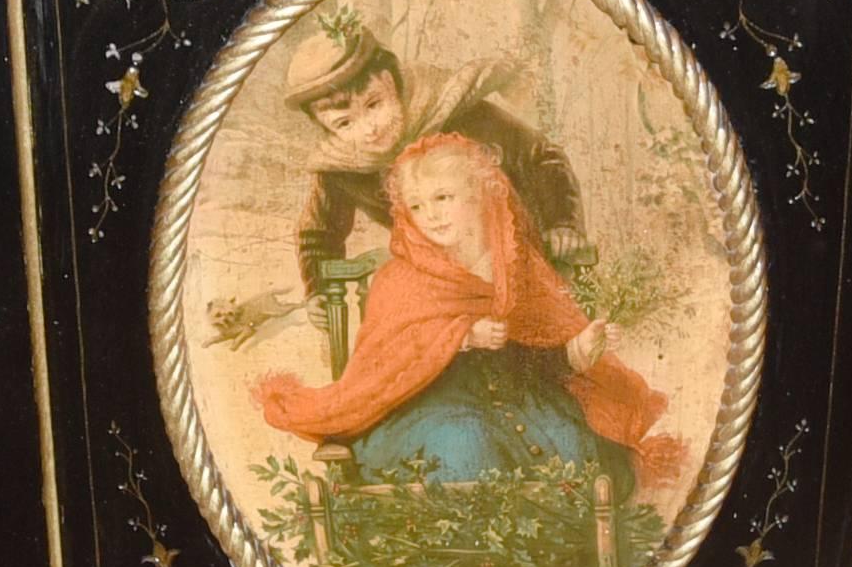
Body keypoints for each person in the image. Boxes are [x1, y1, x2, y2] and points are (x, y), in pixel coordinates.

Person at [255, 133, 684, 499]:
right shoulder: (401, 279)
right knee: (467, 446)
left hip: (519, 401)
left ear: (480, 195)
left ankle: (541, 549)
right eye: (417, 207)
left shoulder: (516, 267)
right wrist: (461, 335)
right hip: (428, 407)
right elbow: (386, 366)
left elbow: (532, 357)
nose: (431, 216)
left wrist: (574, 351)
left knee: (577, 451)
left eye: (443, 198)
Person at [283, 3, 585, 294]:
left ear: (392, 81)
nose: (369, 129)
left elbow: (542, 158)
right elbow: (319, 233)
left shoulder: (454, 110)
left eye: (374, 105)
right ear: (326, 127)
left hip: (519, 261)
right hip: (438, 285)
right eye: (344, 123)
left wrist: (561, 224)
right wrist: (318, 290)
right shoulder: (342, 166)